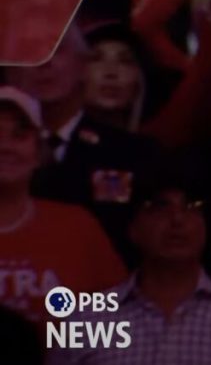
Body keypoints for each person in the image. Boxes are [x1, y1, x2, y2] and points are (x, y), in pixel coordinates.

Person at [47, 164, 211, 365]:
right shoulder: (86, 321)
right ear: (133, 227)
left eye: (192, 206)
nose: (177, 219)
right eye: (160, 206)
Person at [6, 26, 159, 264]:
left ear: (82, 66)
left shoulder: (134, 152)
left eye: (57, 50)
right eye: (31, 52)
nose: (44, 63)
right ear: (11, 71)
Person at [0, 86, 125, 326]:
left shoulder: (78, 227)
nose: (5, 147)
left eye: (19, 135)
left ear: (39, 152)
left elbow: (113, 325)